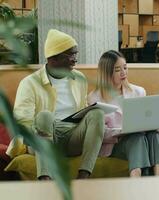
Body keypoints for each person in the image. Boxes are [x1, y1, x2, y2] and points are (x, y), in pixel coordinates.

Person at [9, 29, 105, 180]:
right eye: (70, 55)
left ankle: (83, 177)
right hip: (43, 138)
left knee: (97, 113)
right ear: (53, 59)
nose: (75, 59)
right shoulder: (30, 83)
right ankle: (46, 180)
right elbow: (22, 123)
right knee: (45, 116)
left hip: (72, 137)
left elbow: (81, 111)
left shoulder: (79, 78)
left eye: (76, 54)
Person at [88, 50, 159, 177]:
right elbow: (99, 134)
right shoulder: (94, 98)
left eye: (125, 67)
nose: (124, 72)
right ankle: (135, 181)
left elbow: (146, 118)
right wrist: (123, 131)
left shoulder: (139, 91)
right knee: (135, 137)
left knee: (154, 134)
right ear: (107, 73)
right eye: (118, 69)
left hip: (141, 139)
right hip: (115, 146)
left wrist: (153, 124)